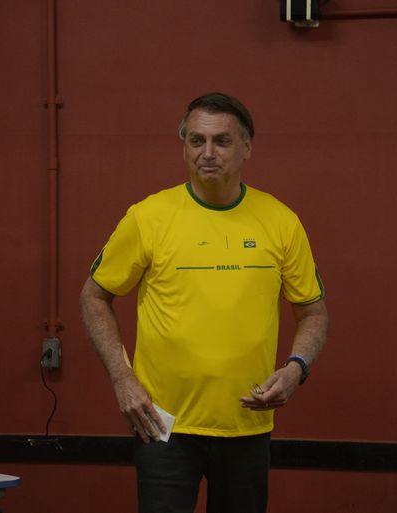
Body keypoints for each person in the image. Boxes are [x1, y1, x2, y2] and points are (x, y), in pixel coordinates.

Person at [79, 92, 329, 513]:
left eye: (222, 141)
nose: (207, 153)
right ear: (184, 147)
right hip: (162, 428)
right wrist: (122, 378)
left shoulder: (281, 222)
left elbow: (314, 313)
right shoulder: (148, 217)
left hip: (247, 426)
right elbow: (93, 295)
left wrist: (296, 368)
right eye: (196, 140)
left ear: (246, 147)